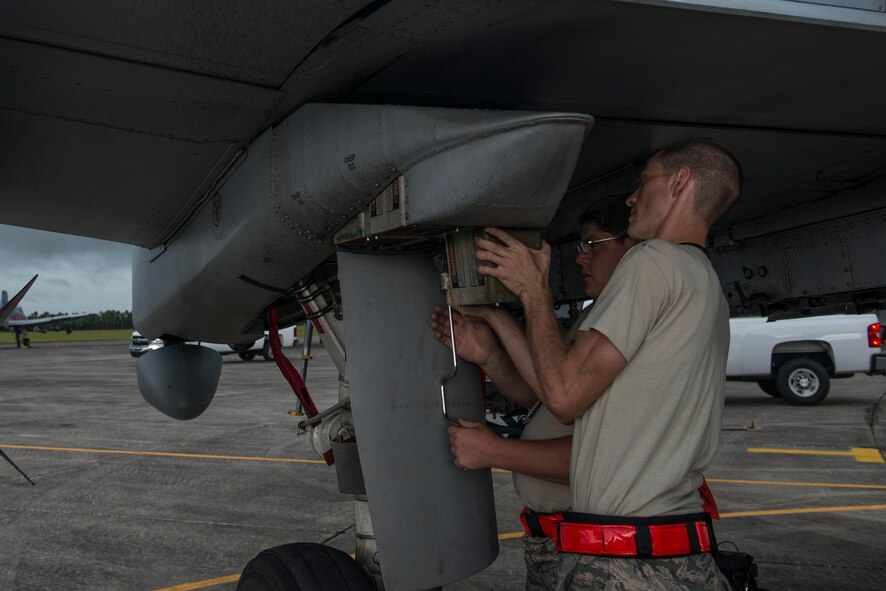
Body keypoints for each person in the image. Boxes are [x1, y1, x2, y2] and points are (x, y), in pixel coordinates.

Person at [471, 138, 742, 590]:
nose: (633, 197)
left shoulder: (652, 261)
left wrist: (533, 290)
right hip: (675, 552)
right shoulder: (702, 280)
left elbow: (563, 397)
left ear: (680, 182)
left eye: (644, 181)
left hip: (627, 560)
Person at [432, 194, 638, 590]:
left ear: (630, 248)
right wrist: (490, 346)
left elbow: (602, 455)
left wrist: (495, 452)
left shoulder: (624, 327)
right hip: (560, 543)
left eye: (591, 246)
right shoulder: (599, 316)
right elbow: (546, 397)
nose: (580, 258)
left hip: (596, 547)